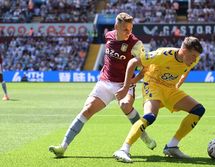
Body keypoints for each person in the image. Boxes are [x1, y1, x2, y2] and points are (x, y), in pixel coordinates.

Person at [49, 12, 156, 158]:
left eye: (131, 29)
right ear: (116, 26)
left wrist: (133, 81)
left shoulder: (136, 44)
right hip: (105, 82)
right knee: (86, 110)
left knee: (125, 106)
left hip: (123, 84)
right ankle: (63, 146)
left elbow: (146, 68)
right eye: (125, 29)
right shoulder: (108, 36)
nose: (129, 32)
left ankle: (145, 137)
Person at [113, 36, 206, 163]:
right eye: (193, 56)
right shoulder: (163, 54)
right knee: (150, 116)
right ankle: (124, 149)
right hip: (153, 85)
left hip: (170, 89)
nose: (195, 59)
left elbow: (186, 70)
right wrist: (125, 87)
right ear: (184, 51)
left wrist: (178, 84)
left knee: (198, 110)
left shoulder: (192, 59)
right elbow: (133, 62)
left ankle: (172, 146)